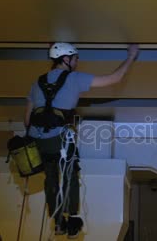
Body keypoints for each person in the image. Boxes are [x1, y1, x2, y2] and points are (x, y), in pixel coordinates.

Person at [24, 42, 139, 238]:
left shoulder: (37, 82)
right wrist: (131, 56)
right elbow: (114, 78)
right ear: (66, 59)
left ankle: (58, 221)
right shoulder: (74, 78)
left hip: (38, 140)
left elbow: (27, 120)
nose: (77, 62)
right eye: (75, 58)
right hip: (60, 137)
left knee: (50, 177)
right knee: (70, 173)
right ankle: (72, 219)